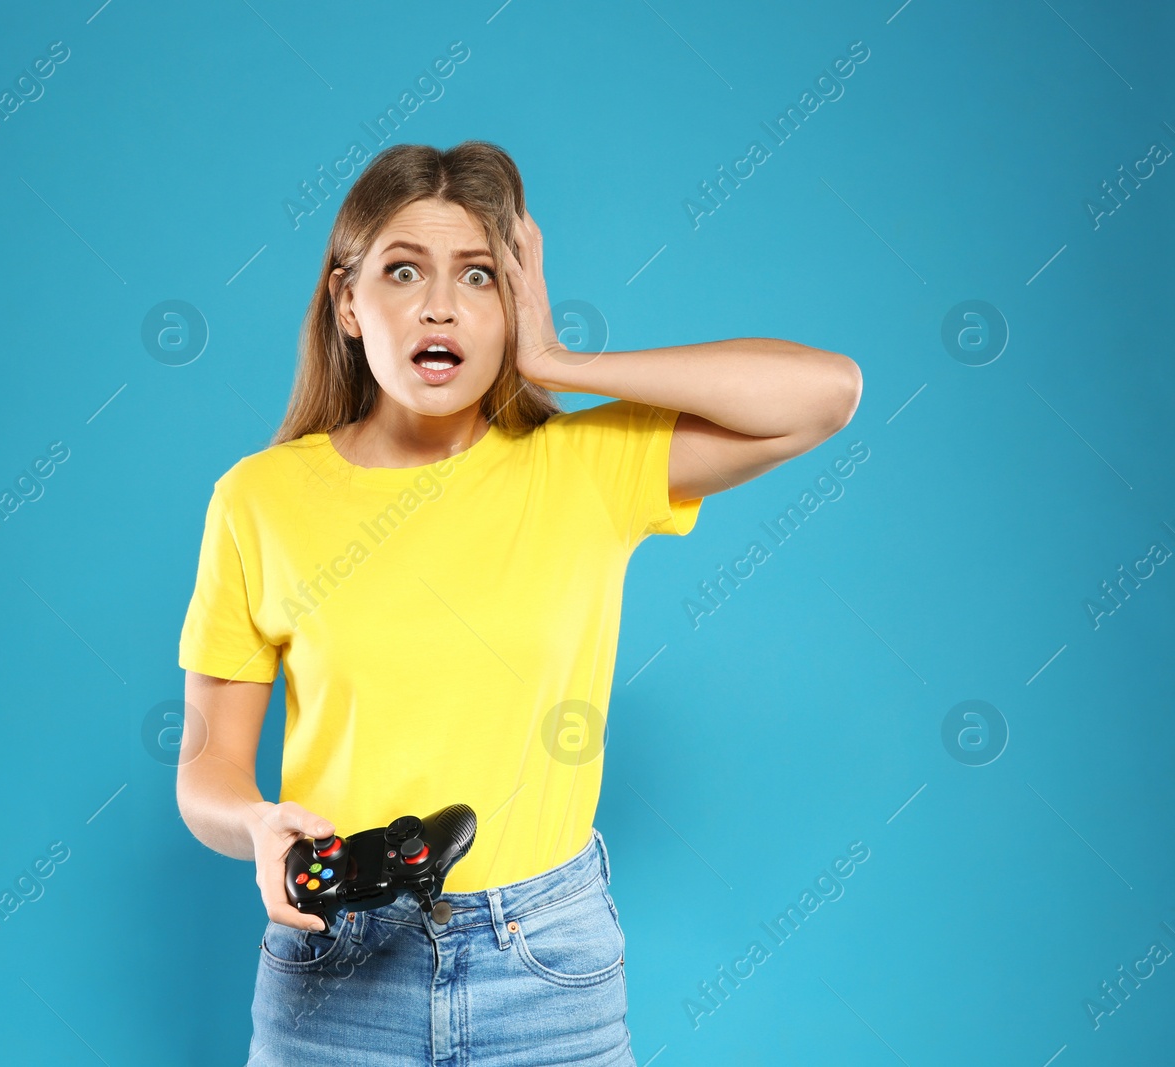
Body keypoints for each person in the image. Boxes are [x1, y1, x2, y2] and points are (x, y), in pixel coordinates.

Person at [175, 140, 862, 1065]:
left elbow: (824, 394)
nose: (439, 304)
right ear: (346, 300)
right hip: (335, 967)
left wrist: (559, 359)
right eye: (403, 269)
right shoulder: (258, 499)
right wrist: (257, 824)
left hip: (542, 967)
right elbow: (207, 767)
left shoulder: (583, 466)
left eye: (480, 276)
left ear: (513, 302)